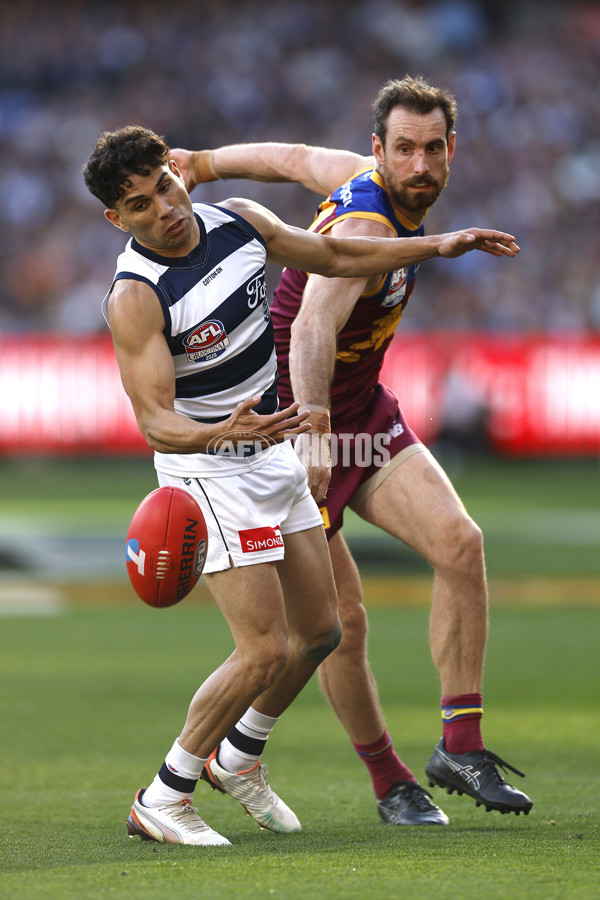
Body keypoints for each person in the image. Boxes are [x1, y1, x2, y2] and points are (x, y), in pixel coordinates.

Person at [82, 123, 519, 844]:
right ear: (116, 218)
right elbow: (156, 423)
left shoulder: (240, 222)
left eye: (164, 185)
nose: (163, 207)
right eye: (139, 204)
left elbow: (338, 254)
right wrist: (226, 433)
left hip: (272, 448)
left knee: (321, 632)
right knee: (264, 650)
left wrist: (436, 246)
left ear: (177, 174)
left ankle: (238, 758)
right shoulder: (136, 296)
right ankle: (163, 795)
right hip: (213, 472)